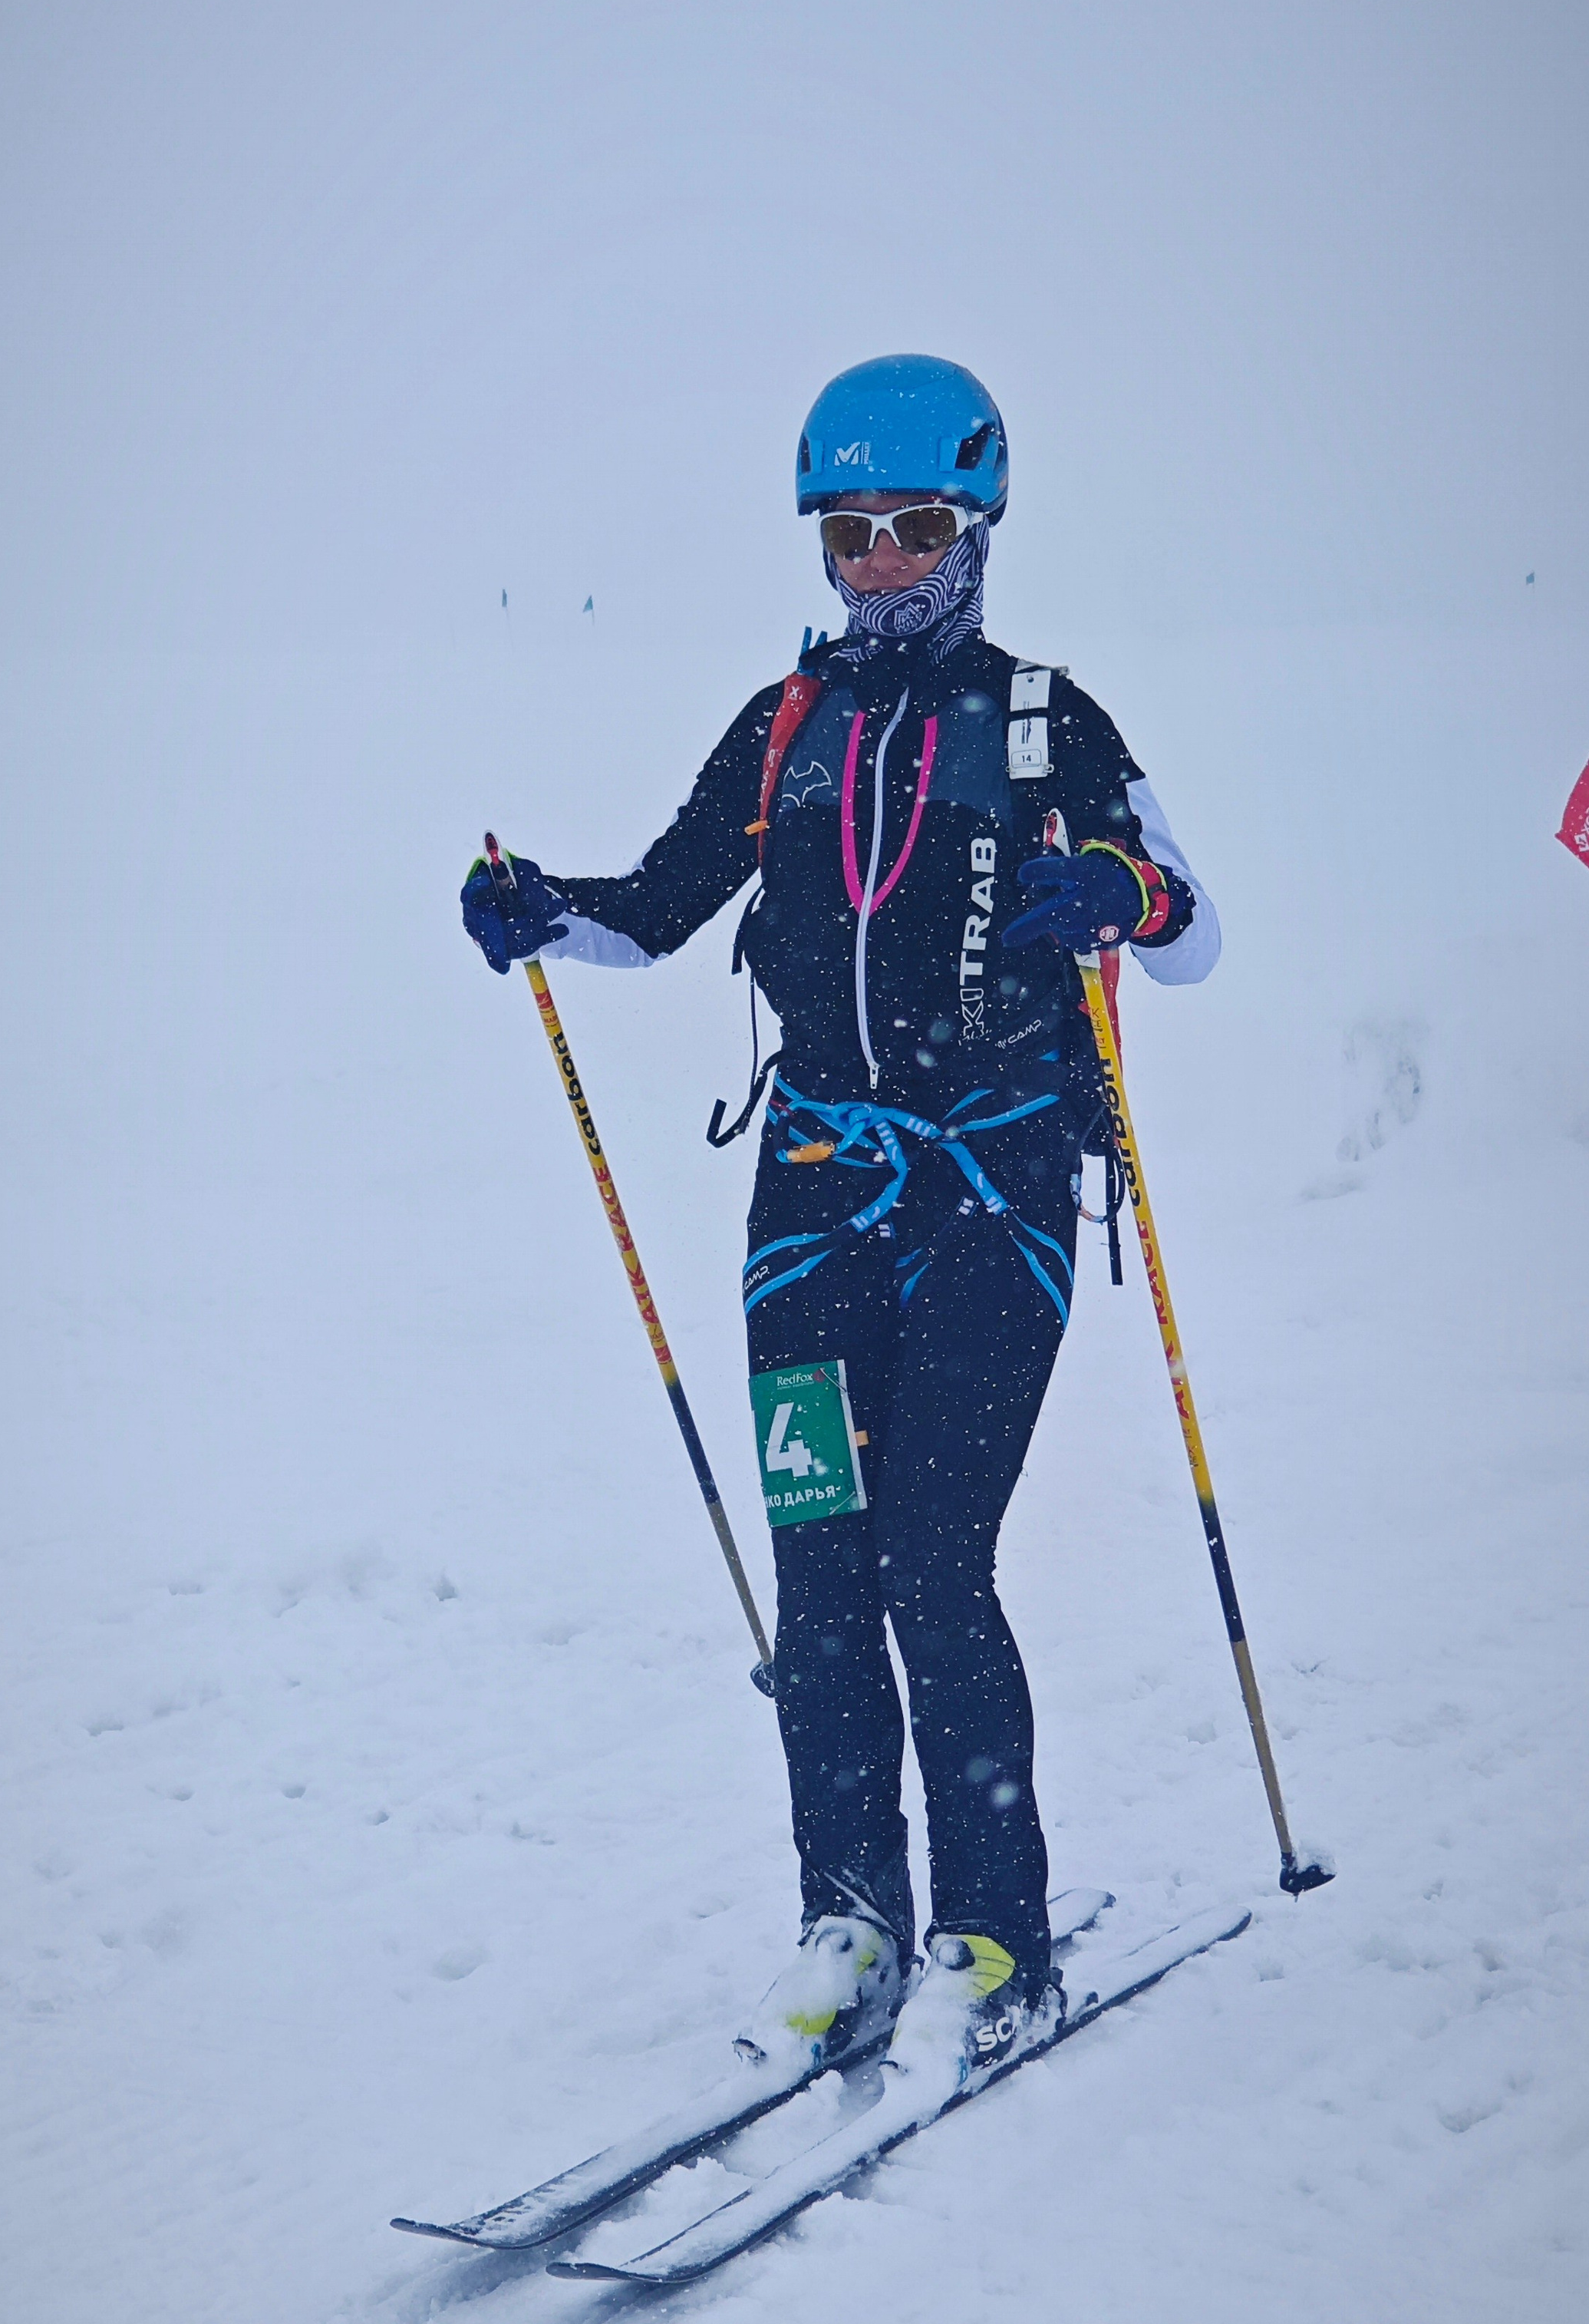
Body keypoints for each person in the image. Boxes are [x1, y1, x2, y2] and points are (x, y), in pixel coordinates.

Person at [460, 355, 1218, 2082]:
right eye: (850, 533)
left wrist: (1118, 889)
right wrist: (538, 909)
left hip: (995, 1201)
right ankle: (849, 1918)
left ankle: (995, 1936)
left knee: (931, 1561)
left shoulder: (1044, 721)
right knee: (818, 1569)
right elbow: (658, 908)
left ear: (977, 526)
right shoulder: (783, 726)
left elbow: (1189, 927)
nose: (879, 562)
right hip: (809, 1205)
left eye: (914, 528)